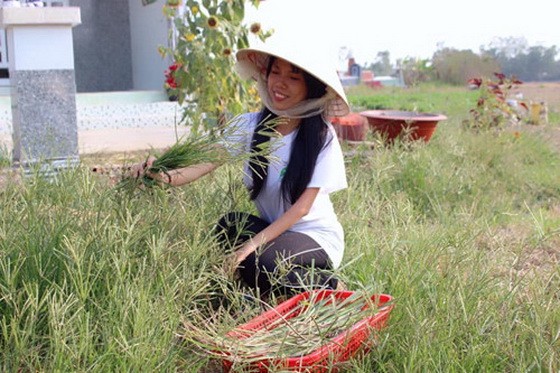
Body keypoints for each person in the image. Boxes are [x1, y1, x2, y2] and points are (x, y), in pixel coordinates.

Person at [134, 34, 350, 299]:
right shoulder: (249, 126)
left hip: (313, 236)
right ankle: (268, 286)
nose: (280, 83)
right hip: (274, 231)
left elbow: (302, 209)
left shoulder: (321, 137)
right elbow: (204, 162)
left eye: (293, 78)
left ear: (311, 89)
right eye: (275, 72)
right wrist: (160, 175)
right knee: (230, 225)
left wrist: (249, 247)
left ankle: (328, 284)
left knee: (261, 265)